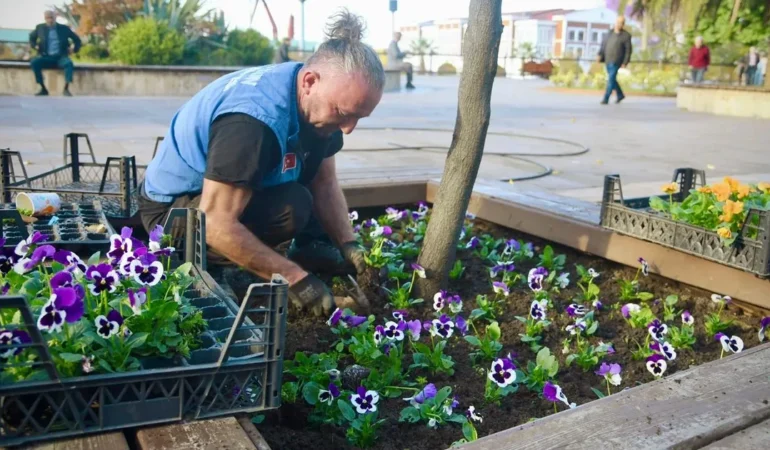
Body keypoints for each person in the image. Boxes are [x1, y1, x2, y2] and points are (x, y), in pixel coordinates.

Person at [138, 10, 383, 318]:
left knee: (299, 193)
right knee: (289, 208)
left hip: (217, 195)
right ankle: (212, 269)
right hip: (172, 214)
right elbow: (214, 222)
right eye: (344, 113)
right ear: (310, 81)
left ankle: (308, 247)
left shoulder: (315, 97)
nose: (348, 129)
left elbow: (325, 182)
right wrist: (296, 280)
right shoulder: (252, 124)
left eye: (359, 117)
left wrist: (348, 244)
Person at [28, 10, 81, 96]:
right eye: (47, 18)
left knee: (69, 64)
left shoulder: (64, 28)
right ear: (45, 18)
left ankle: (66, 89)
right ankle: (43, 88)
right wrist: (35, 46)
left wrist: (74, 49)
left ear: (55, 17)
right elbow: (31, 38)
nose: (49, 20)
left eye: (51, 18)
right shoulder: (40, 28)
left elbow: (77, 39)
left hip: (61, 57)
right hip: (46, 57)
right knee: (35, 62)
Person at [597, 16, 632, 105]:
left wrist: (625, 62)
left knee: (611, 79)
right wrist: (600, 54)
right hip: (608, 59)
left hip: (617, 60)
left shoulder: (626, 36)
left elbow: (628, 50)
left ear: (623, 24)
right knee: (612, 79)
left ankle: (606, 98)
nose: (619, 24)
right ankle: (620, 95)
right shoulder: (609, 33)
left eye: (621, 23)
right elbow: (603, 45)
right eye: (618, 22)